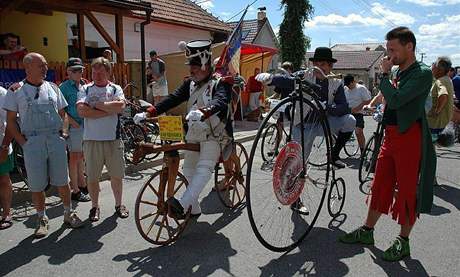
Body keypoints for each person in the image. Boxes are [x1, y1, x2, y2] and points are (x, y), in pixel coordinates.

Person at [339, 27, 436, 262]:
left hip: (410, 137)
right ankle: (367, 231)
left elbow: (398, 99)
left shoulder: (422, 73)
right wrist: (374, 102)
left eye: (393, 49)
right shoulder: (396, 71)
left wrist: (384, 76)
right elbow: (386, 98)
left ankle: (403, 241)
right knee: (380, 184)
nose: (389, 54)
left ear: (409, 47)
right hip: (390, 136)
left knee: (406, 190)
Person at [134, 40, 233, 219]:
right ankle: (194, 209)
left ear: (205, 64)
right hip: (195, 133)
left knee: (204, 169)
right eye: (190, 66)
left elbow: (220, 101)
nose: (191, 70)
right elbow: (172, 99)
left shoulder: (221, 82)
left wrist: (204, 111)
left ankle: (182, 204)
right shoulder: (190, 84)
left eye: (194, 66)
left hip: (215, 135)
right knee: (188, 170)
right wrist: (149, 112)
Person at [4, 53, 84, 238]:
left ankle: (68, 213)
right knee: (37, 185)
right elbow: (10, 121)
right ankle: (42, 218)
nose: (45, 68)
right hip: (33, 142)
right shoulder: (16, 91)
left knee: (63, 181)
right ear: (28, 68)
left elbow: (63, 114)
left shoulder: (53, 88)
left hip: (55, 140)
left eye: (46, 65)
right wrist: (24, 143)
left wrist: (64, 134)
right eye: (41, 65)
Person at [256, 47, 356, 169]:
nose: (318, 68)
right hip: (303, 124)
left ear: (330, 66)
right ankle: (287, 183)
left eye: (323, 64)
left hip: (323, 123)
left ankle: (334, 156)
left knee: (350, 120)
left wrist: (327, 107)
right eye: (315, 64)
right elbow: (288, 80)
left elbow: (344, 107)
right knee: (298, 164)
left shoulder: (336, 82)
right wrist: (271, 79)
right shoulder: (305, 75)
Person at [77, 57, 129, 222]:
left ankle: (119, 204)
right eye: (94, 72)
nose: (97, 75)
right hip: (91, 140)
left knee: (117, 175)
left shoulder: (115, 88)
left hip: (113, 139)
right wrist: (108, 109)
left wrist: (96, 104)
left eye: (101, 72)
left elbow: (121, 107)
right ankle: (94, 206)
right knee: (92, 177)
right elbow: (82, 112)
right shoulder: (85, 89)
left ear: (108, 72)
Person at [59, 58, 90, 202]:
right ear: (68, 72)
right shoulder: (64, 87)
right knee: (74, 157)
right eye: (75, 70)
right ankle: (75, 190)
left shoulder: (85, 84)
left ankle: (82, 184)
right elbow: (60, 110)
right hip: (74, 126)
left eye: (81, 70)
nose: (79, 73)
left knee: (81, 156)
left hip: (85, 125)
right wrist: (73, 123)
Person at [427, 57, 454, 141]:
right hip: (440, 122)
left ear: (440, 70)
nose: (432, 68)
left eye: (434, 66)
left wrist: (436, 111)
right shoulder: (447, 79)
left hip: (435, 123)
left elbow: (443, 95)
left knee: (427, 146)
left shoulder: (441, 81)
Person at [344, 74, 372, 153]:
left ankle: (362, 149)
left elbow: (368, 100)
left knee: (358, 132)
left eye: (349, 85)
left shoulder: (361, 88)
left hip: (358, 113)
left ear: (353, 82)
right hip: (347, 113)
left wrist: (358, 108)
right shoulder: (345, 89)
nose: (348, 87)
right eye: (347, 85)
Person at [0, 86, 14, 230]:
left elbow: (10, 123)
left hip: (0, 144)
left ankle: (6, 213)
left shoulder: (2, 93)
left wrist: (4, 147)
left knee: (3, 179)